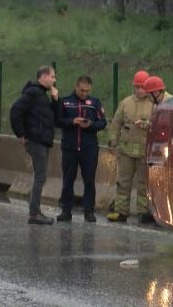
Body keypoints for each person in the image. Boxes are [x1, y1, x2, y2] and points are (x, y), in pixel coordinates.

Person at [10, 65, 58, 225]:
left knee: (41, 177)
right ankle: (34, 213)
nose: (54, 80)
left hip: (43, 140)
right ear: (43, 76)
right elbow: (15, 110)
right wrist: (21, 133)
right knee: (40, 177)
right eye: (52, 76)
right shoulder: (33, 93)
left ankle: (35, 211)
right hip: (36, 140)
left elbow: (53, 118)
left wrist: (55, 99)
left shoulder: (42, 95)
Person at [55, 75, 107, 223]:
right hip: (70, 147)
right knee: (68, 180)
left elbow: (102, 123)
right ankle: (66, 210)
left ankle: (89, 211)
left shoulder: (94, 103)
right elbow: (58, 121)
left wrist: (90, 124)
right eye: (82, 90)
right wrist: (72, 122)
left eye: (87, 91)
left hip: (89, 148)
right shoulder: (66, 102)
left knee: (89, 180)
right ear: (76, 87)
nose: (84, 93)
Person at [106, 70, 155, 224]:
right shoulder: (125, 103)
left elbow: (161, 125)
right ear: (133, 86)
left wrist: (148, 125)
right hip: (126, 151)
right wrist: (113, 141)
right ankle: (120, 212)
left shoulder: (154, 104)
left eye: (143, 87)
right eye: (137, 87)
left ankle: (144, 212)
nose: (140, 90)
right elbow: (115, 124)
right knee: (123, 182)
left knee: (143, 185)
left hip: (144, 152)